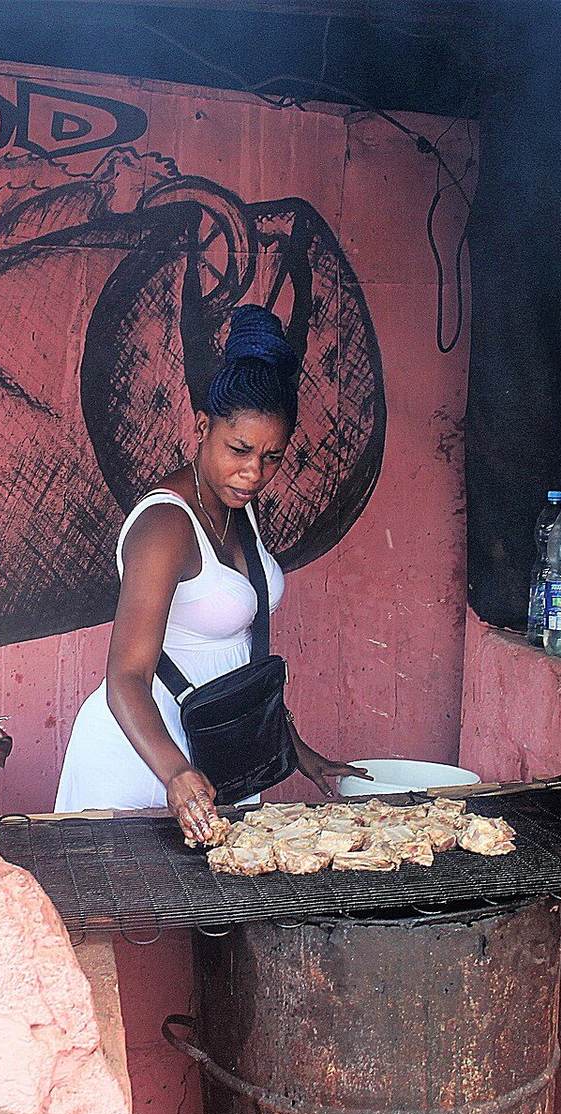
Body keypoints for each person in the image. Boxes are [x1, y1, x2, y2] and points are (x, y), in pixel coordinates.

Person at [55, 305, 367, 839]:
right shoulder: (165, 527)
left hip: (221, 753)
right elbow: (125, 679)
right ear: (203, 427)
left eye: (272, 457)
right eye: (239, 450)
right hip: (144, 760)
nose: (253, 472)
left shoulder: (236, 505)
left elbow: (234, 660)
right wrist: (175, 773)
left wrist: (297, 752)